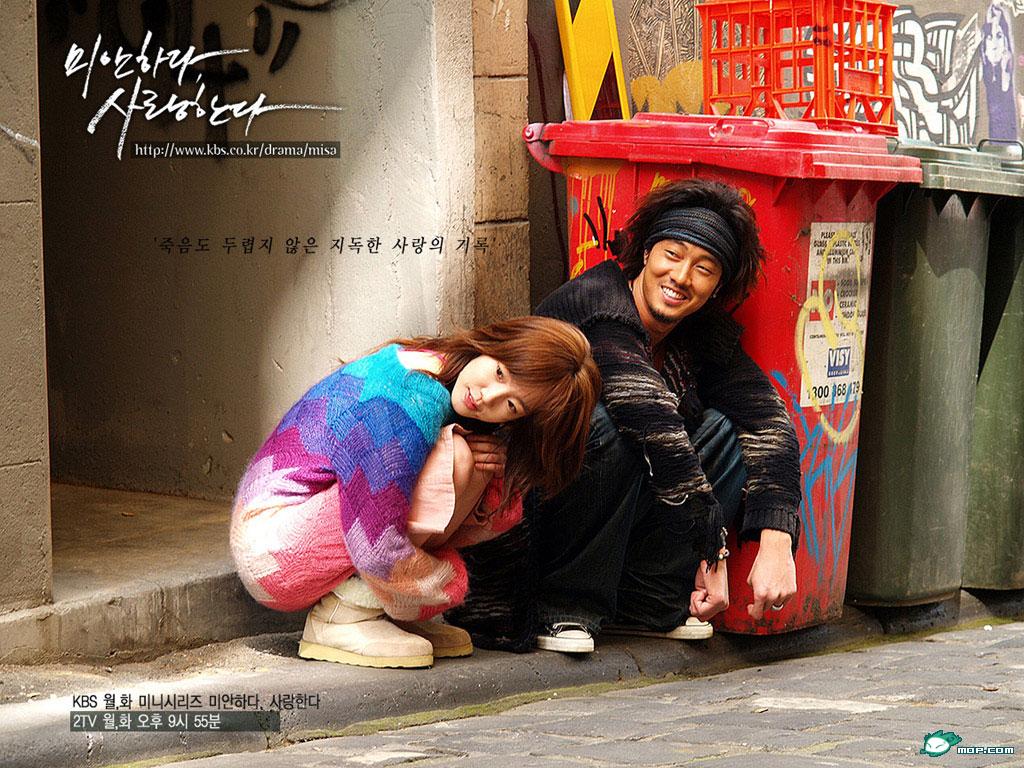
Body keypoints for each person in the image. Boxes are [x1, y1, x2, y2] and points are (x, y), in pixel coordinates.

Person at [526, 178, 802, 653]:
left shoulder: (700, 334)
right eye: (672, 255)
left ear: (716, 288)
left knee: (727, 431)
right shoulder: (597, 303)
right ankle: (563, 606)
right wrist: (714, 547)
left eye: (704, 268)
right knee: (612, 426)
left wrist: (777, 539)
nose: (681, 276)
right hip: (533, 508)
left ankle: (645, 605)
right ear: (646, 253)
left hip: (622, 500)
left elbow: (767, 419)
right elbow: (648, 415)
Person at [230, 317, 601, 668]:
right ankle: (344, 614)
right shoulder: (407, 399)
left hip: (289, 538)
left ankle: (380, 609)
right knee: (458, 458)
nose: (487, 396)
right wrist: (445, 584)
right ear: (496, 344)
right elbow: (376, 545)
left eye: (511, 405)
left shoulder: (440, 371)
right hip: (272, 551)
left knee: (478, 463)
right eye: (501, 372)